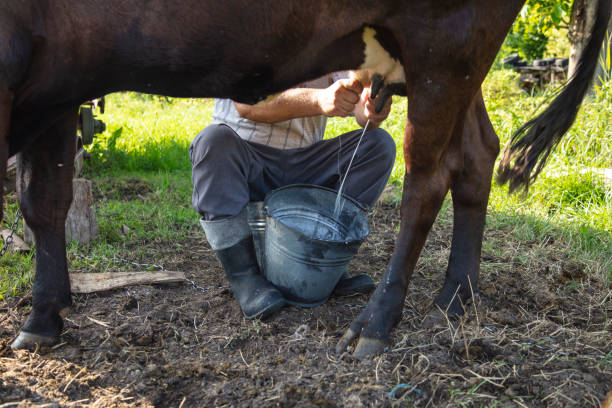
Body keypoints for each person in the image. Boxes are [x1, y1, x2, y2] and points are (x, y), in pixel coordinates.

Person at [190, 72, 396, 319]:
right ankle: (245, 276)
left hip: (305, 164)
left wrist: (371, 111)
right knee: (213, 141)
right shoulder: (247, 34)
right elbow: (247, 106)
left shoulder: (331, 42)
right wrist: (320, 100)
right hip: (245, 159)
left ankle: (326, 257)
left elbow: (362, 113)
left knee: (378, 146)